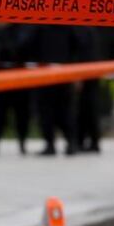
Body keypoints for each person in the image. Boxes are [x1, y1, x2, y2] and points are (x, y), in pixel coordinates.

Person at [21, 24, 89, 156]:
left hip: (55, 76)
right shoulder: (60, 27)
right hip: (52, 76)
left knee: (61, 111)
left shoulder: (42, 27)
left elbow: (26, 44)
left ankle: (65, 143)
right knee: (54, 112)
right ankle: (60, 144)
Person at [0, 23, 30, 155]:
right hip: (3, 80)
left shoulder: (24, 31)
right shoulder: (0, 33)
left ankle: (22, 143)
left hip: (20, 81)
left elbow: (27, 50)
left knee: (21, 115)